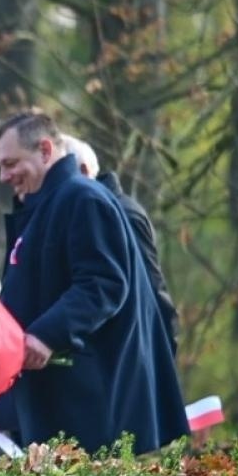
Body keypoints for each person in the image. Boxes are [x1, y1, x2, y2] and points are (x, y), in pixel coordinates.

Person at [0, 111, 188, 453]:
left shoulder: (82, 199)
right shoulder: (50, 204)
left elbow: (104, 283)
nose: (4, 176)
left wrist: (46, 334)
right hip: (63, 402)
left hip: (91, 408)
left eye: (11, 164)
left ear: (45, 150)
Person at [63, 134, 179, 353]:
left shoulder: (122, 216)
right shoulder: (92, 216)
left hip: (130, 356)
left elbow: (151, 292)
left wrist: (161, 358)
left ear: (84, 171)